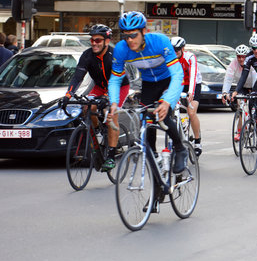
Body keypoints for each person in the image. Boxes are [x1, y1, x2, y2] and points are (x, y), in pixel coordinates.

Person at [108, 11, 187, 177]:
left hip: (167, 80)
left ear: (144, 31)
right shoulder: (122, 49)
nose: (130, 40)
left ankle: (180, 149)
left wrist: (167, 101)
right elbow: (115, 80)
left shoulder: (160, 42)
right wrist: (113, 103)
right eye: (126, 36)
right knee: (146, 118)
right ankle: (153, 157)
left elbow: (178, 75)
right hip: (149, 84)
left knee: (162, 115)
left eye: (134, 35)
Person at [59, 24, 130, 172]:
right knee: (87, 107)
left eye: (98, 40)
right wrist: (68, 95)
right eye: (92, 40)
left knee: (110, 115)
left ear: (106, 41)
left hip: (119, 87)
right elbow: (77, 77)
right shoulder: (87, 55)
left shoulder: (114, 55)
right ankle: (99, 130)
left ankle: (111, 155)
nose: (94, 43)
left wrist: (107, 97)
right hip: (100, 86)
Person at [171, 36, 203, 157]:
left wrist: (191, 92)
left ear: (183, 49)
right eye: (172, 50)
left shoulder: (190, 57)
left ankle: (197, 141)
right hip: (179, 84)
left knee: (191, 112)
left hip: (193, 84)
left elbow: (193, 75)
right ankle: (179, 128)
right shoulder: (170, 58)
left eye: (177, 50)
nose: (175, 53)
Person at [222, 44, 257, 141]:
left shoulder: (252, 62)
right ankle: (239, 131)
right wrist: (225, 92)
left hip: (255, 85)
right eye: (239, 57)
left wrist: (254, 92)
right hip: (242, 86)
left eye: (243, 57)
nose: (241, 59)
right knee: (240, 107)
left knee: (254, 107)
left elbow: (255, 77)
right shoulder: (233, 63)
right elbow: (228, 78)